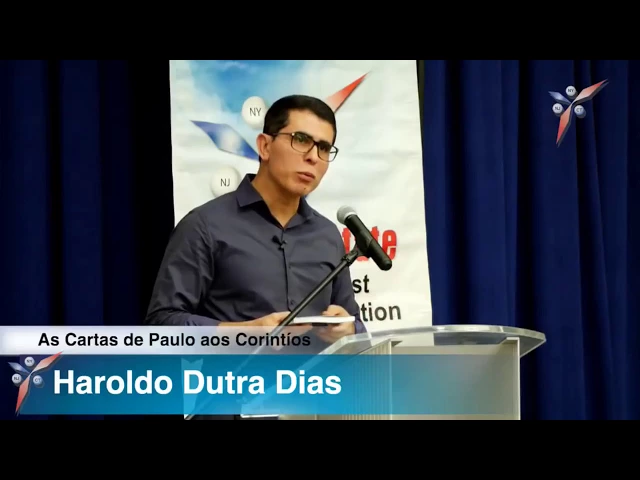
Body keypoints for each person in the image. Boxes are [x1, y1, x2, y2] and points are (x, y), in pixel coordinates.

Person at [145, 94, 365, 353]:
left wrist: (350, 330)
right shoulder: (205, 225)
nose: (313, 157)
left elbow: (356, 327)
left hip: (318, 380)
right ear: (265, 146)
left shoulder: (327, 234)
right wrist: (244, 333)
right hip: (237, 379)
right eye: (301, 140)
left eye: (324, 148)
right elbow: (162, 326)